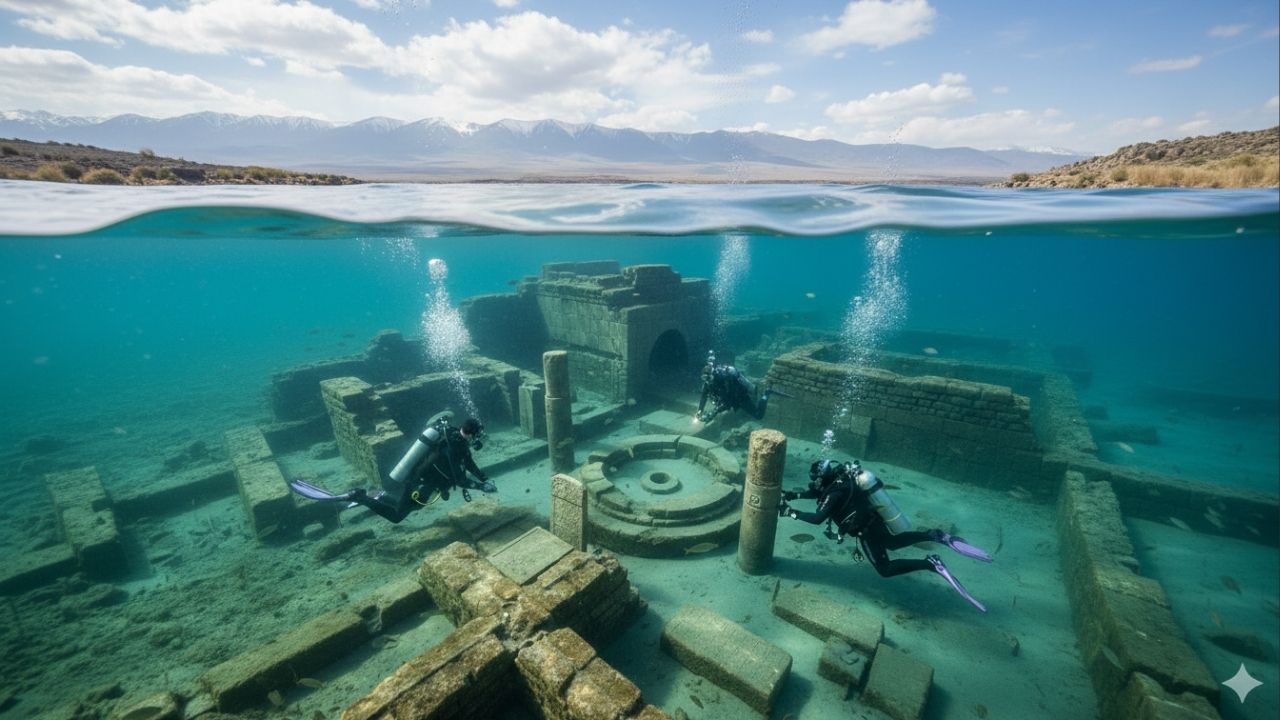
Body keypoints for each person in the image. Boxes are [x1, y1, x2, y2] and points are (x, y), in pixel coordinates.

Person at [778, 458, 993, 612]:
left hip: (866, 532)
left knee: (885, 569)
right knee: (893, 543)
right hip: (876, 522)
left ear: (823, 477)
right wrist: (794, 495)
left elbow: (817, 518)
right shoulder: (841, 482)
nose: (814, 482)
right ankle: (932, 535)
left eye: (815, 478)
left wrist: (791, 513)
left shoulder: (833, 492)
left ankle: (930, 564)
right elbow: (816, 493)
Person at [289, 413, 496, 524]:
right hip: (418, 484)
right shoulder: (452, 448)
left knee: (414, 506)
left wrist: (484, 478)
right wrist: (481, 487)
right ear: (470, 434)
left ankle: (380, 496)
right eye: (478, 436)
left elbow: (469, 463)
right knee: (397, 517)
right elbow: (459, 479)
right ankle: (360, 496)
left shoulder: (453, 438)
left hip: (425, 484)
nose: (479, 440)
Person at [695, 352, 784, 423]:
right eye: (704, 378)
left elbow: (729, 400)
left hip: (740, 397)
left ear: (713, 374)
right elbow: (704, 396)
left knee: (758, 415)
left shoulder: (725, 378)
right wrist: (699, 411)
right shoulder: (708, 383)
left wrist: (713, 413)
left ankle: (766, 394)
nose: (707, 381)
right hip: (729, 399)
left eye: (708, 378)